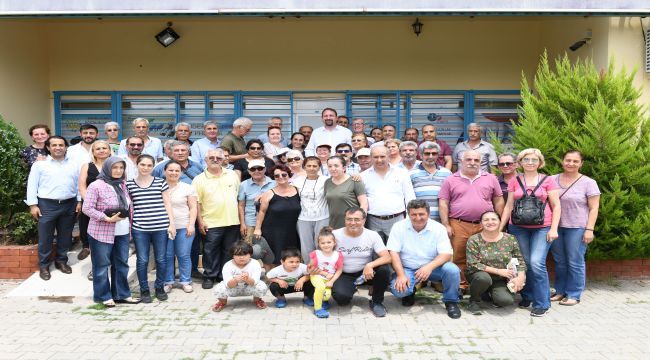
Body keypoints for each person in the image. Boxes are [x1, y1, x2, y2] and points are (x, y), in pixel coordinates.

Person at [499, 148, 561, 317]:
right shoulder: (514, 180)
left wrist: (554, 228)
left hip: (543, 227)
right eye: (526, 160)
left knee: (536, 262)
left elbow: (556, 206)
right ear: (520, 163)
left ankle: (542, 302)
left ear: (540, 162)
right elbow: (509, 206)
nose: (530, 163)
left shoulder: (548, 180)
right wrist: (500, 228)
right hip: (518, 227)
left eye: (534, 160)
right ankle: (527, 296)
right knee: (524, 263)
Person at [439, 150, 504, 291]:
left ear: (481, 162)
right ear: (461, 161)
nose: (472, 163)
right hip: (459, 224)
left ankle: (482, 287)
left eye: (476, 160)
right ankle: (461, 286)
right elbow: (443, 202)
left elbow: (498, 200)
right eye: (468, 159)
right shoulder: (451, 179)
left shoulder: (491, 178)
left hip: (485, 225)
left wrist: (499, 223)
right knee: (458, 257)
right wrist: (446, 224)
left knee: (484, 256)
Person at [388, 200, 462, 319]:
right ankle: (409, 292)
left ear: (428, 214)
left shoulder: (438, 228)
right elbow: (394, 253)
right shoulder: (399, 227)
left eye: (421, 214)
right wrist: (401, 275)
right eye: (414, 214)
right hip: (408, 268)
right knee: (399, 291)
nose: (418, 218)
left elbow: (446, 254)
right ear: (408, 214)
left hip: (433, 267)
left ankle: (451, 301)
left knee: (452, 270)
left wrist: (428, 267)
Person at [82, 156, 139, 307]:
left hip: (122, 231)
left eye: (121, 168)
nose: (118, 170)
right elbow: (86, 208)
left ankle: (121, 294)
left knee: (122, 264)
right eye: (115, 167)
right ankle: (103, 296)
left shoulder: (122, 184)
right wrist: (106, 219)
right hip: (101, 232)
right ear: (107, 168)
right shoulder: (96, 185)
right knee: (101, 266)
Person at [27, 136, 81, 281]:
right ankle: (44, 265)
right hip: (47, 205)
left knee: (65, 235)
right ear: (48, 147)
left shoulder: (74, 164)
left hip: (69, 204)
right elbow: (32, 185)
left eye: (61, 145)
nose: (58, 147)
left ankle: (61, 261)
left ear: (66, 147)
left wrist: (79, 201)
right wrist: (33, 205)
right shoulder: (40, 165)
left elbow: (78, 185)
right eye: (54, 145)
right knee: (46, 237)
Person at [550, 150, 600, 306]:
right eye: (568, 160)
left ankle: (574, 294)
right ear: (562, 161)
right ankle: (560, 291)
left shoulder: (588, 182)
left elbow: (594, 208)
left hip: (577, 227)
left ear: (581, 163)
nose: (571, 164)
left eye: (575, 161)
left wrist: (589, 229)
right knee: (560, 261)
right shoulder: (552, 179)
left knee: (575, 261)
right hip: (556, 226)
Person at [126, 154, 176, 303]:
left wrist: (171, 224)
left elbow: (167, 203)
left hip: (160, 226)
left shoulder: (160, 182)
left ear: (153, 166)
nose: (146, 168)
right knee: (142, 259)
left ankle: (159, 287)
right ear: (137, 165)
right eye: (143, 165)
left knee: (161, 259)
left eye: (149, 165)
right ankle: (144, 289)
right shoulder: (129, 184)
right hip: (140, 228)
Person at [192, 148, 241, 289]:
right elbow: (197, 203)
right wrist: (200, 222)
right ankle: (209, 276)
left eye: (218, 158)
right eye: (211, 158)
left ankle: (223, 276)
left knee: (228, 250)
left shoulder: (232, 175)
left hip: (232, 221)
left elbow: (237, 197)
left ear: (223, 160)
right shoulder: (199, 179)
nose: (215, 160)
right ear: (205, 160)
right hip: (211, 222)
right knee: (210, 250)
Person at [331, 207, 392, 317]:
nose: (353, 223)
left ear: (364, 220)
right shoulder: (335, 235)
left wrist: (370, 264)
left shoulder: (372, 235)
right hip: (344, 273)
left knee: (384, 269)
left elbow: (387, 257)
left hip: (366, 273)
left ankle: (377, 302)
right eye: (349, 219)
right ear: (344, 220)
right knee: (342, 299)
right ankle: (349, 289)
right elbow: (323, 255)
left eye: (357, 219)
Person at [465, 211, 526, 315]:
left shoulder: (510, 239)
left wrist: (520, 277)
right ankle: (474, 300)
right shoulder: (474, 240)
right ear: (481, 223)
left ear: (499, 222)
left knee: (505, 301)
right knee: (483, 279)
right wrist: (498, 271)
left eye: (493, 219)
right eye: (486, 220)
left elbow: (520, 260)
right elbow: (473, 263)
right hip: (479, 274)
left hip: (501, 278)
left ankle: (489, 293)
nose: (490, 222)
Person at [361, 146, 415, 243]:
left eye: (382, 156)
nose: (379, 160)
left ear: (389, 156)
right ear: (371, 157)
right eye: (375, 157)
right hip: (373, 220)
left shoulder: (402, 173)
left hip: (397, 220)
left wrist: (409, 218)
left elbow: (410, 197)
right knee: (377, 253)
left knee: (397, 251)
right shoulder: (363, 176)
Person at [162, 160, 198, 294]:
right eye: (170, 170)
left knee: (183, 255)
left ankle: (185, 281)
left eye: (177, 170)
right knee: (167, 255)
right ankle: (168, 281)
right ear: (165, 171)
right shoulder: (159, 186)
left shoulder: (187, 187)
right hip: (164, 228)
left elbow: (193, 207)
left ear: (181, 172)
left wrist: (191, 225)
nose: (174, 173)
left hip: (184, 226)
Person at [254, 164, 301, 265]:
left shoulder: (298, 190)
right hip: (272, 231)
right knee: (272, 257)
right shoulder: (269, 194)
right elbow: (261, 212)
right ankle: (271, 279)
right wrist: (257, 229)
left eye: (284, 174)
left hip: (292, 230)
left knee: (292, 255)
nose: (280, 177)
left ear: (289, 175)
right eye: (277, 176)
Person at [237, 159, 276, 270]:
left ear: (264, 169)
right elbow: (241, 205)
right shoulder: (244, 185)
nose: (256, 171)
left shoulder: (274, 183)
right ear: (249, 171)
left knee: (268, 251)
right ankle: (248, 276)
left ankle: (269, 276)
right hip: (250, 222)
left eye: (259, 168)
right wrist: (242, 223)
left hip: (270, 222)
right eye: (253, 169)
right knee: (249, 251)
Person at [78, 140, 112, 265]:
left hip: (109, 206)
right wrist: (90, 203)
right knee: (87, 227)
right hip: (90, 205)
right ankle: (86, 247)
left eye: (104, 148)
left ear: (109, 150)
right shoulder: (87, 166)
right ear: (93, 151)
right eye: (98, 149)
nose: (102, 150)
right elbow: (82, 186)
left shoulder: (115, 165)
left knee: (106, 232)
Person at [211, 241, 268, 312]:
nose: (241, 257)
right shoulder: (228, 265)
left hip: (249, 287)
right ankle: (222, 302)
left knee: (262, 286)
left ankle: (257, 300)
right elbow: (228, 285)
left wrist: (247, 279)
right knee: (219, 288)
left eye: (245, 254)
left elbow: (255, 282)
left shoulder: (255, 263)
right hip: (233, 288)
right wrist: (235, 280)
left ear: (250, 254)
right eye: (238, 255)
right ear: (232, 255)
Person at [293, 157, 329, 261]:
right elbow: (285, 190)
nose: (312, 168)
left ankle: (323, 269)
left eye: (315, 166)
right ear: (304, 167)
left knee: (322, 244)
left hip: (323, 217)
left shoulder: (326, 180)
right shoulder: (297, 181)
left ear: (319, 167)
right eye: (309, 166)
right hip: (303, 218)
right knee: (306, 247)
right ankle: (309, 271)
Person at [409, 141, 452, 222]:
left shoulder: (447, 173)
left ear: (438, 155)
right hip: (418, 220)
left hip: (441, 220)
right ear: (421, 155)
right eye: (427, 154)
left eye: (434, 153)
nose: (431, 156)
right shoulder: (411, 174)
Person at [308, 227, 344, 318]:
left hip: (329, 278)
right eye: (323, 243)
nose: (326, 245)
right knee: (320, 287)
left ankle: (322, 300)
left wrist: (332, 281)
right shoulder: (316, 254)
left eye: (329, 242)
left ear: (334, 243)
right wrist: (313, 269)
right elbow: (311, 268)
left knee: (326, 296)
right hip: (317, 276)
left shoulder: (337, 255)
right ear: (319, 244)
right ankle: (318, 309)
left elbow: (339, 270)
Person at [324, 156, 367, 229]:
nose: (333, 169)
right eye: (330, 166)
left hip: (353, 223)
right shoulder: (327, 182)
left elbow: (364, 204)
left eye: (336, 166)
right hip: (334, 224)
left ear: (344, 168)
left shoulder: (355, 180)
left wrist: (361, 222)